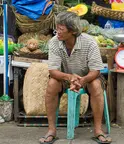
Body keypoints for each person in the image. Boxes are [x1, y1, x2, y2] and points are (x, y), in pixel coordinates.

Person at [39, 11, 112, 144]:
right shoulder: (54, 42)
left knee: (96, 84)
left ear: (72, 31)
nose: (57, 32)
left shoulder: (89, 42)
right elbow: (53, 71)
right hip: (65, 78)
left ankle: (97, 130)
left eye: (61, 29)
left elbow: (95, 70)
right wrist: (70, 77)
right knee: (52, 83)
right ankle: (51, 130)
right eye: (57, 28)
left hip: (88, 78)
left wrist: (82, 80)